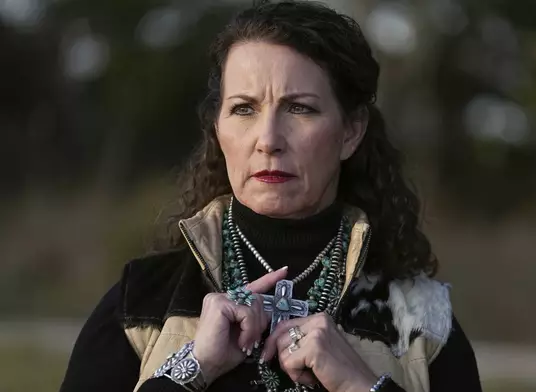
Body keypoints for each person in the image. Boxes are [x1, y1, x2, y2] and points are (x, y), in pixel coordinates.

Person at [60, 1, 482, 391]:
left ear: (351, 131)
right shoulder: (143, 301)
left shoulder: (420, 319)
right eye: (244, 109)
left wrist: (360, 384)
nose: (268, 140)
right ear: (218, 128)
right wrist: (194, 366)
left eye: (300, 108)